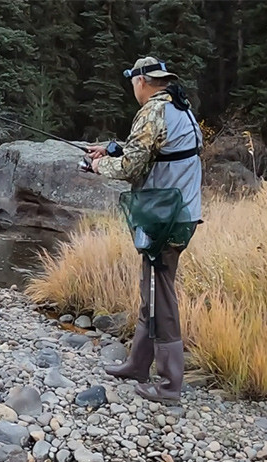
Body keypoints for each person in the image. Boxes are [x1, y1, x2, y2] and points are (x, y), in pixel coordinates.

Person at [87, 56, 203, 404]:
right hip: (178, 214)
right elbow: (156, 151)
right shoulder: (179, 107)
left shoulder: (153, 110)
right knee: (151, 286)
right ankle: (138, 365)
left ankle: (169, 385)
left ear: (141, 82)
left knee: (161, 295)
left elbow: (129, 166)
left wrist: (97, 165)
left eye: (132, 83)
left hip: (164, 218)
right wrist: (111, 147)